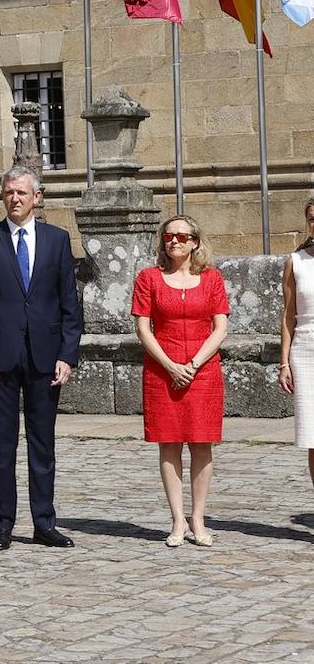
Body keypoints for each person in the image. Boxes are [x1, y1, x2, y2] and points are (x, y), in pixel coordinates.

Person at [0, 166, 81, 551]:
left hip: (45, 358)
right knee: (1, 445)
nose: (15, 198)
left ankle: (44, 522)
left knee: (42, 444)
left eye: (22, 193)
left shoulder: (57, 240)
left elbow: (69, 304)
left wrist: (68, 354)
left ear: (37, 197)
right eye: (9, 192)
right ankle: (2, 523)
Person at [132, 215, 230, 547]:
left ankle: (198, 520)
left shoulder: (213, 279)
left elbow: (220, 328)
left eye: (182, 237)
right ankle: (176, 521)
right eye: (169, 236)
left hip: (203, 372)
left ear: (195, 242)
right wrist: (171, 365)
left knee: (202, 445)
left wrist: (193, 363)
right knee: (169, 444)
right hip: (162, 371)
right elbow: (144, 329)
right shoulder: (149, 278)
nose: (174, 241)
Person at [280, 197, 314, 488]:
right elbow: (288, 316)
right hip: (306, 352)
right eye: (312, 218)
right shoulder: (296, 262)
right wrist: (284, 363)